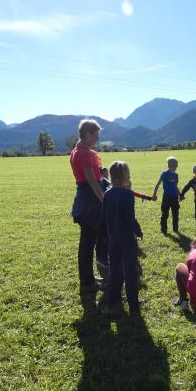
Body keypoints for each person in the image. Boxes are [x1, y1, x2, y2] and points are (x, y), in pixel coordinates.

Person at [103, 161, 143, 313]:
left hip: (112, 239)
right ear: (124, 176)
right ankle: (133, 303)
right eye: (129, 173)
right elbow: (130, 218)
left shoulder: (107, 194)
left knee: (115, 270)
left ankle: (115, 299)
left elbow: (104, 217)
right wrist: (139, 232)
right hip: (127, 240)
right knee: (130, 271)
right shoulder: (128, 194)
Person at [70, 119, 105, 293]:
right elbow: (91, 180)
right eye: (96, 135)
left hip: (85, 200)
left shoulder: (78, 150)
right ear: (88, 134)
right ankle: (87, 282)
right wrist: (104, 200)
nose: (97, 139)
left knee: (87, 242)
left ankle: (87, 278)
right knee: (88, 243)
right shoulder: (83, 153)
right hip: (90, 202)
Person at [152, 156, 180, 234]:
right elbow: (157, 184)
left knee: (175, 214)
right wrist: (154, 194)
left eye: (176, 166)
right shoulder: (164, 174)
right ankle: (163, 229)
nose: (175, 168)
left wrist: (180, 194)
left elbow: (175, 186)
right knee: (165, 214)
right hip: (166, 198)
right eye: (174, 166)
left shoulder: (176, 175)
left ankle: (175, 229)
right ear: (169, 166)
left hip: (174, 198)